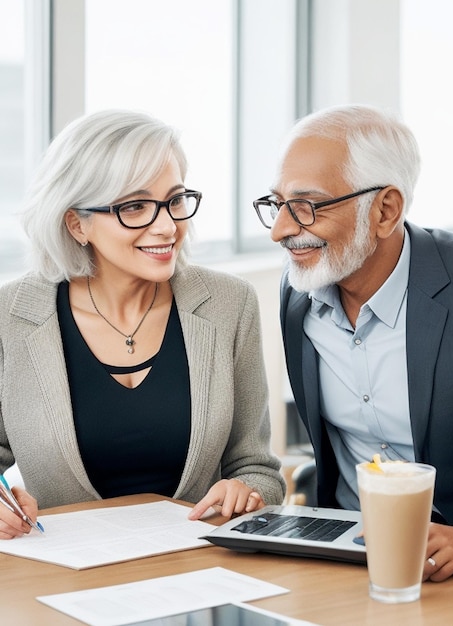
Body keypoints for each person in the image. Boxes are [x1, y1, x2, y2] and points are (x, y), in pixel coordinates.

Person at [0, 109, 285, 539]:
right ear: (76, 222)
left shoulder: (229, 304)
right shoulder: (11, 316)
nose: (168, 225)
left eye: (174, 200)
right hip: (64, 577)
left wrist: (247, 492)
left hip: (197, 574)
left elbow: (259, 469)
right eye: (135, 207)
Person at [253, 103, 453, 582]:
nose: (280, 230)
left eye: (307, 206)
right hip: (346, 558)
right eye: (277, 204)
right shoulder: (299, 290)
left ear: (385, 210)